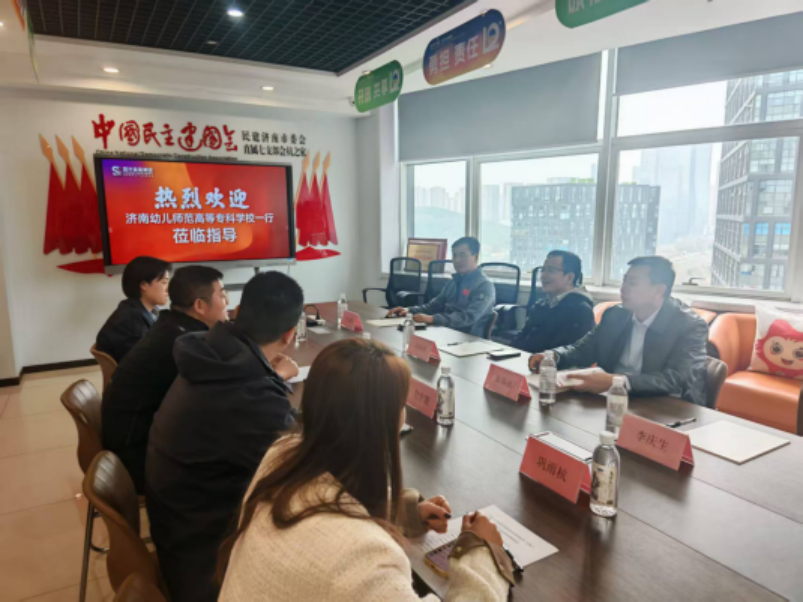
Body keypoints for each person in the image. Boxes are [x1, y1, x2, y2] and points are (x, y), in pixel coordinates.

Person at [218, 339, 514, 601]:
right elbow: (341, 534)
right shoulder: (363, 558)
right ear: (380, 420)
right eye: (401, 405)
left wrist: (404, 511)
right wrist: (482, 553)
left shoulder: (282, 453)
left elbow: (330, 497)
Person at [146, 271, 303, 602]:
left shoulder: (210, 355)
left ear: (237, 311)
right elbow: (304, 472)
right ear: (289, 334)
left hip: (179, 529)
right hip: (205, 563)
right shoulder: (249, 396)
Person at [101, 266, 229, 493]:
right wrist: (275, 375)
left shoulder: (171, 326)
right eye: (222, 294)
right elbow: (223, 396)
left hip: (131, 444)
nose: (227, 301)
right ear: (200, 306)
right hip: (139, 461)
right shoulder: (183, 343)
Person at [528, 256, 708, 406]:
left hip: (666, 409)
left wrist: (616, 381)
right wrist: (554, 356)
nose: (623, 288)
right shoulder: (615, 315)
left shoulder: (690, 326)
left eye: (633, 283)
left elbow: (677, 380)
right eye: (624, 281)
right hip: (613, 401)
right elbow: (583, 350)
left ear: (659, 290)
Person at [387, 237, 496, 337]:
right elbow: (433, 306)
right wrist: (409, 311)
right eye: (454, 255)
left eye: (462, 255)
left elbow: (468, 317)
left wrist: (433, 319)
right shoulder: (453, 282)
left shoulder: (484, 286)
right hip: (446, 332)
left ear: (475, 256)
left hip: (469, 340)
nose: (457, 260)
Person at [511, 250, 595, 354]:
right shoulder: (541, 305)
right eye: (543, 270)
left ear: (569, 278)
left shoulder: (580, 310)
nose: (543, 276)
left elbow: (568, 354)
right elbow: (519, 341)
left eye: (551, 270)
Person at [96, 256, 171, 363]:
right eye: (164, 282)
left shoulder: (139, 308)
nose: (168, 289)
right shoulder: (133, 320)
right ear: (144, 285)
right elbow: (148, 360)